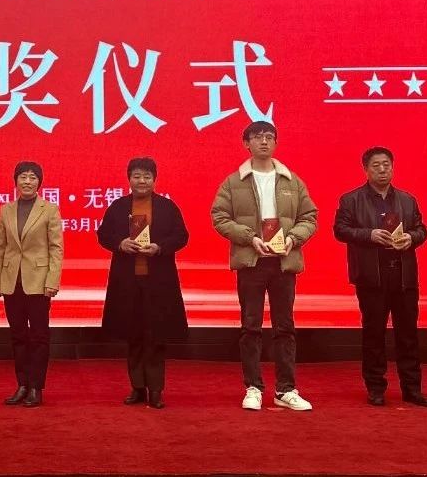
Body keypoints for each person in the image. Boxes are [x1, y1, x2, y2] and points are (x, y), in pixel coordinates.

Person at [211, 121, 317, 412]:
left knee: (285, 327)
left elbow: (310, 217)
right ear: (246, 143)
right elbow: (219, 217)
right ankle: (253, 388)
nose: (264, 142)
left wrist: (294, 238)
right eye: (257, 137)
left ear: (276, 143)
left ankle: (286, 389)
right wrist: (250, 238)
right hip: (252, 261)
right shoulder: (234, 182)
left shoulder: (291, 180)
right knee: (251, 327)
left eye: (270, 137)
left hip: (283, 262)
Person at [333, 146, 427, 407]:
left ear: (393, 167)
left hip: (403, 276)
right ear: (366, 169)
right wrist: (369, 235)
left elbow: (422, 229)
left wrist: (411, 237)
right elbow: (340, 230)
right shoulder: (351, 199)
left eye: (386, 164)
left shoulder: (407, 200)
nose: (382, 169)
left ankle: (412, 389)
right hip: (372, 277)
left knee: (408, 334)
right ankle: (376, 388)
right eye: (376, 165)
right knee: (374, 333)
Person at [97, 157, 189, 410]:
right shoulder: (118, 206)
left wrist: (160, 247)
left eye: (147, 176)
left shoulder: (167, 207)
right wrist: (120, 243)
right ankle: (137, 387)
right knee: (134, 336)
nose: (142, 181)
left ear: (154, 179)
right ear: (129, 179)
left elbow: (182, 236)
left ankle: (156, 390)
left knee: (156, 337)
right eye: (137, 176)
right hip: (127, 282)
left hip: (158, 282)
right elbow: (103, 235)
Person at [0, 161, 64, 408]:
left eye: (33, 177)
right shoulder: (6, 210)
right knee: (18, 335)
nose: (28, 181)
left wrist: (52, 281)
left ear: (39, 182)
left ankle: (36, 387)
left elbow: (56, 248)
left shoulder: (49, 209)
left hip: (39, 282)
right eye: (23, 177)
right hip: (12, 281)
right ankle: (22, 384)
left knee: (40, 336)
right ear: (16, 181)